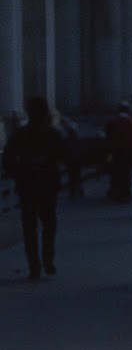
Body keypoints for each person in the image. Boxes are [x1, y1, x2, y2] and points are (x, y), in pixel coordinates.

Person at [2, 96, 69, 280]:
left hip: (27, 185)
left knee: (29, 227)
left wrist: (18, 174)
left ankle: (34, 266)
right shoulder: (53, 134)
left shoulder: (20, 134)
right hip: (48, 185)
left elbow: (7, 159)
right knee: (49, 224)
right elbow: (65, 156)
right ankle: (48, 260)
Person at [104, 103, 132, 203]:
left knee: (116, 173)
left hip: (115, 153)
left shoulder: (112, 123)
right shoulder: (131, 123)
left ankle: (116, 192)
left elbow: (107, 135)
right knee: (126, 173)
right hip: (128, 153)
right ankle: (125, 193)